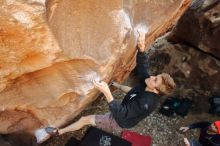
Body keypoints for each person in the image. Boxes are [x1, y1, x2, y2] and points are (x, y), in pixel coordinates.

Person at [36, 31, 176, 143]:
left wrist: (107, 92)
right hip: (125, 114)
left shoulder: (146, 103)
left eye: (155, 80)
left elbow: (122, 112)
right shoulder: (148, 86)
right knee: (97, 117)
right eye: (155, 76)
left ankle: (57, 132)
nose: (151, 77)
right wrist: (142, 48)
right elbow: (142, 69)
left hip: (119, 121)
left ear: (155, 90)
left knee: (86, 120)